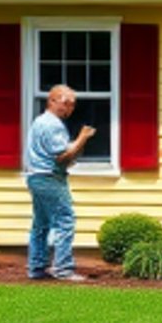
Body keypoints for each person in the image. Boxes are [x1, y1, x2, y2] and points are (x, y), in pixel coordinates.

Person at [25, 83, 95, 281]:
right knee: (65, 221)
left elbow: (63, 153)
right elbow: (63, 157)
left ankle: (36, 267)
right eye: (66, 103)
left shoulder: (40, 121)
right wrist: (83, 138)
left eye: (73, 104)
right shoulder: (52, 125)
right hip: (50, 177)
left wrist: (74, 147)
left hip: (36, 176)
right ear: (52, 100)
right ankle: (63, 269)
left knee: (41, 224)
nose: (69, 108)